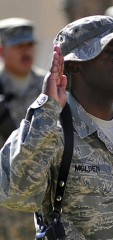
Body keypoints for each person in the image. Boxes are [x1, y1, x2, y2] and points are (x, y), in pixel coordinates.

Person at [0, 15, 113, 239]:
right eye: (108, 50)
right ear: (75, 66)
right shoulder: (52, 132)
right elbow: (14, 194)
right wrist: (47, 108)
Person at [0, 17, 46, 240]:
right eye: (19, 46)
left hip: (43, 199)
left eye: (29, 45)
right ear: (1, 49)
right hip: (5, 205)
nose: (26, 51)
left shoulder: (50, 87)